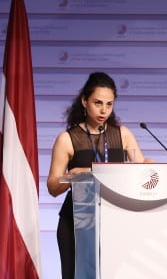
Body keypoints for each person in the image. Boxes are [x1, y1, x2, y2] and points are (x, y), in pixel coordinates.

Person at [46, 71, 153, 279]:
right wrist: (72, 178)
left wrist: (148, 166)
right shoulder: (68, 139)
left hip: (115, 222)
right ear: (85, 101)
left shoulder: (122, 134)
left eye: (109, 104)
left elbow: (140, 171)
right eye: (98, 103)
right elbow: (52, 187)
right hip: (76, 225)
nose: (104, 110)